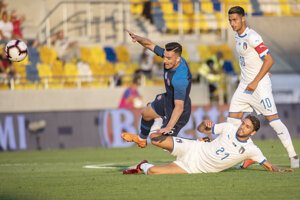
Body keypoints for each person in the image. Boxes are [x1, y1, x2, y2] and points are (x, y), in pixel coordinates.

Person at [227, 6, 299, 168]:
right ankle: (250, 154)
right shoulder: (238, 36)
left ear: (243, 19)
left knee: (273, 121)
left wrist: (257, 79)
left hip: (258, 87)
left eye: (235, 20)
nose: (232, 23)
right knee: (232, 120)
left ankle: (293, 157)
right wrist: (258, 73)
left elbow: (269, 60)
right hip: (245, 85)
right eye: (230, 20)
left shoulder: (253, 37)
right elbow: (254, 60)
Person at [123, 115, 293, 175]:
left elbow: (269, 166)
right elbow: (202, 129)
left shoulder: (252, 150)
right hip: (193, 148)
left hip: (193, 168)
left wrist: (281, 170)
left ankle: (143, 165)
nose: (242, 127)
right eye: (243, 123)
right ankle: (158, 121)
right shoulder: (228, 128)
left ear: (253, 132)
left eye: (247, 127)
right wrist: (205, 125)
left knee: (152, 171)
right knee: (154, 139)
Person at [121, 29, 192, 148]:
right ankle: (141, 139)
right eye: (164, 56)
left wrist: (168, 126)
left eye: (168, 58)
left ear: (178, 59)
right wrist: (138, 38)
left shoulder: (180, 79)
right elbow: (149, 44)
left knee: (157, 140)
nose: (164, 60)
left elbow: (179, 107)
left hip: (178, 111)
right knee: (146, 114)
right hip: (168, 99)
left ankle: (197, 143)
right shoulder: (171, 57)